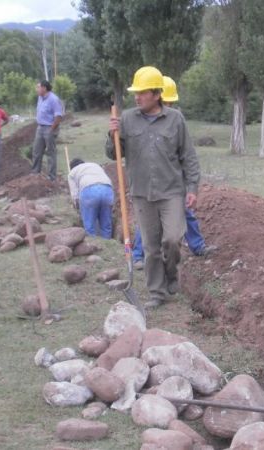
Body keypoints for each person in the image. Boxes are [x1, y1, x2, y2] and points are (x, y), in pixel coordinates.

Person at [107, 66, 200, 308]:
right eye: (135, 92)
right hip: (141, 193)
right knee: (150, 247)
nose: (137, 97)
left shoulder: (175, 119)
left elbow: (188, 156)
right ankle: (157, 293)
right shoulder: (126, 119)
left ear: (157, 95)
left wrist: (192, 188)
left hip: (171, 191)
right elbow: (113, 153)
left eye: (142, 92)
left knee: (171, 239)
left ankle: (171, 275)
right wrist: (112, 135)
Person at [131, 75, 215, 269]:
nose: (168, 106)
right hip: (153, 184)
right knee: (147, 222)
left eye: (169, 102)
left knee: (186, 213)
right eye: (167, 102)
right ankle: (137, 255)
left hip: (174, 183)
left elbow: (185, 155)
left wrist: (190, 184)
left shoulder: (175, 120)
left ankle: (197, 246)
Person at [68, 158, 114, 239]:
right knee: (106, 224)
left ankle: (93, 244)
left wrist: (77, 206)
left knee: (89, 225)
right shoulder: (95, 165)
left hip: (89, 191)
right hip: (107, 189)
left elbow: (74, 195)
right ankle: (108, 243)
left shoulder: (72, 173)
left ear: (72, 167)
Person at [31, 80, 63, 181]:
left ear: (44, 88)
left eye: (38, 87)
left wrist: (52, 129)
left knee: (51, 153)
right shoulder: (40, 98)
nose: (37, 89)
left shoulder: (54, 99)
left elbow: (58, 116)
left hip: (50, 127)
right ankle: (35, 173)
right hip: (40, 127)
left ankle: (51, 177)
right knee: (36, 151)